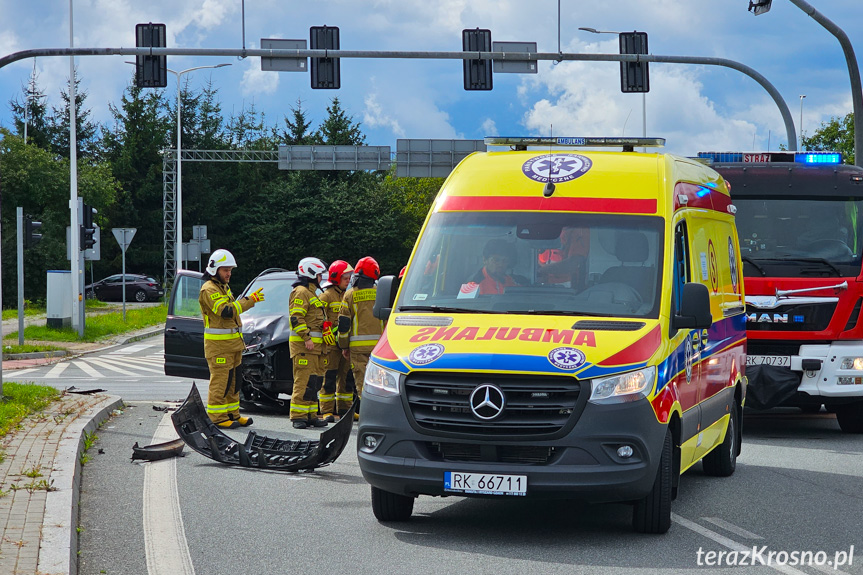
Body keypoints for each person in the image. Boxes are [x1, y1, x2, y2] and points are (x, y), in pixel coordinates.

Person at [198, 248, 264, 429]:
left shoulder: (223, 287)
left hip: (232, 346)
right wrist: (249, 301)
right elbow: (226, 311)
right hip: (219, 348)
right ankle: (217, 418)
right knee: (220, 383)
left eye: (230, 270)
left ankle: (233, 414)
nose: (229, 274)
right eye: (225, 270)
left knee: (234, 382)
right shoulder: (208, 289)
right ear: (214, 269)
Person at [338, 256, 384, 419]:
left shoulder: (349, 295)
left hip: (357, 349)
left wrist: (344, 346)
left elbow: (344, 325)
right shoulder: (381, 293)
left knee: (363, 385)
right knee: (380, 384)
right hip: (380, 349)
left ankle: (369, 417)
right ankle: (381, 416)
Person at [289, 257, 330, 429]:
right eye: (320, 274)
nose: (321, 278)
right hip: (305, 347)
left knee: (314, 382)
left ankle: (311, 415)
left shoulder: (311, 293)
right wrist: (306, 338)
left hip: (316, 349)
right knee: (303, 381)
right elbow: (296, 318)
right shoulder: (301, 292)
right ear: (311, 273)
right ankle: (298, 416)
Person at [318, 260, 354, 422]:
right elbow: (317, 316)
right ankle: (326, 411)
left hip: (345, 344)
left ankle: (345, 409)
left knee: (345, 377)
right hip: (331, 345)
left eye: (349, 278)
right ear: (336, 278)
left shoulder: (348, 295)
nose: (348, 281)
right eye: (345, 278)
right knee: (329, 377)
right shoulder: (326, 296)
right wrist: (324, 328)